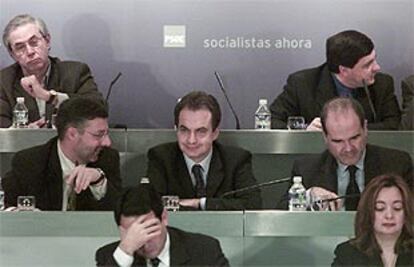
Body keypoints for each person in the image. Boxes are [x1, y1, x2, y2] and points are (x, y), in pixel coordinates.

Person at [287, 97, 413, 211]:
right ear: (325, 137)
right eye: (338, 141)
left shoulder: (397, 164)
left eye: (354, 138)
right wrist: (308, 196)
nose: (348, 148)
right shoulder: (306, 169)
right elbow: (281, 213)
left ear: (365, 128)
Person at [146, 91, 262, 210]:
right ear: (176, 129)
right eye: (184, 130)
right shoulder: (161, 158)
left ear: (215, 133)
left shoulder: (236, 160)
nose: (191, 140)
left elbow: (253, 205)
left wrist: (201, 203)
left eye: (201, 131)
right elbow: (150, 205)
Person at [1, 97, 121, 210]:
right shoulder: (30, 162)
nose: (107, 142)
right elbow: (8, 207)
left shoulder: (107, 158)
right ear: (72, 134)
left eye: (107, 134)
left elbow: (121, 214)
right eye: (99, 135)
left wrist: (99, 182)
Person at [270, 30, 400, 130]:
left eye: (374, 59)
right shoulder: (302, 84)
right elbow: (271, 120)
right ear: (344, 70)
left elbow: (394, 125)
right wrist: (304, 129)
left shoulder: (382, 84)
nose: (377, 68)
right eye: (367, 65)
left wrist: (348, 130)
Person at [0, 14, 103, 128]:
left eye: (34, 42)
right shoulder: (4, 81)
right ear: (12, 54)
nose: (29, 52)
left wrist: (49, 97)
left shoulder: (75, 72)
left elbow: (99, 108)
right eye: (20, 47)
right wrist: (23, 132)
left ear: (47, 41)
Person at [95, 180, 230, 267]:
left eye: (150, 230)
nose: (144, 243)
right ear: (121, 230)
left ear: (164, 217)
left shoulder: (204, 251)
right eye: (134, 234)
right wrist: (125, 252)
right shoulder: (109, 257)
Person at [332, 174, 413, 266]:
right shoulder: (347, 254)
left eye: (397, 208)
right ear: (368, 212)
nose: (389, 215)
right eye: (380, 208)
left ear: (406, 211)